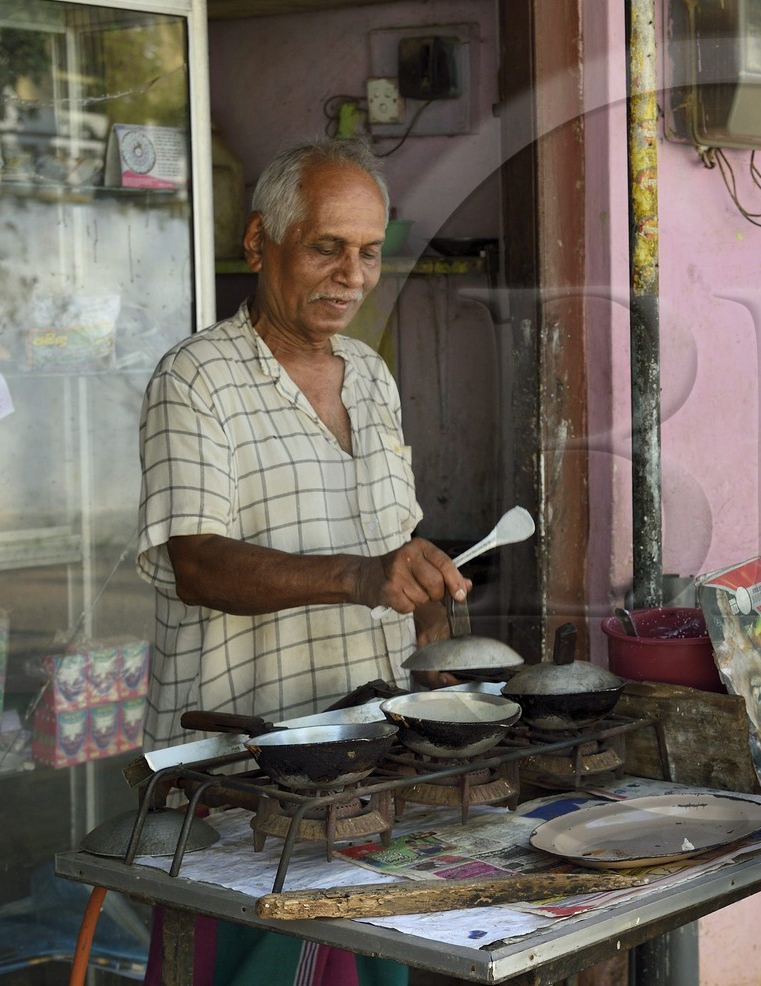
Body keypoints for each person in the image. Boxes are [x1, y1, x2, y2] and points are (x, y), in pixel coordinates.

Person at [135, 138, 466, 986]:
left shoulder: (369, 373)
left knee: (370, 966)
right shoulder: (197, 377)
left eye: (368, 252)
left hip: (365, 761)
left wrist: (436, 653)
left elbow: (399, 546)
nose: (352, 275)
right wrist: (360, 577)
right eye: (326, 247)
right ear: (259, 245)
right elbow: (197, 563)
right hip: (242, 778)